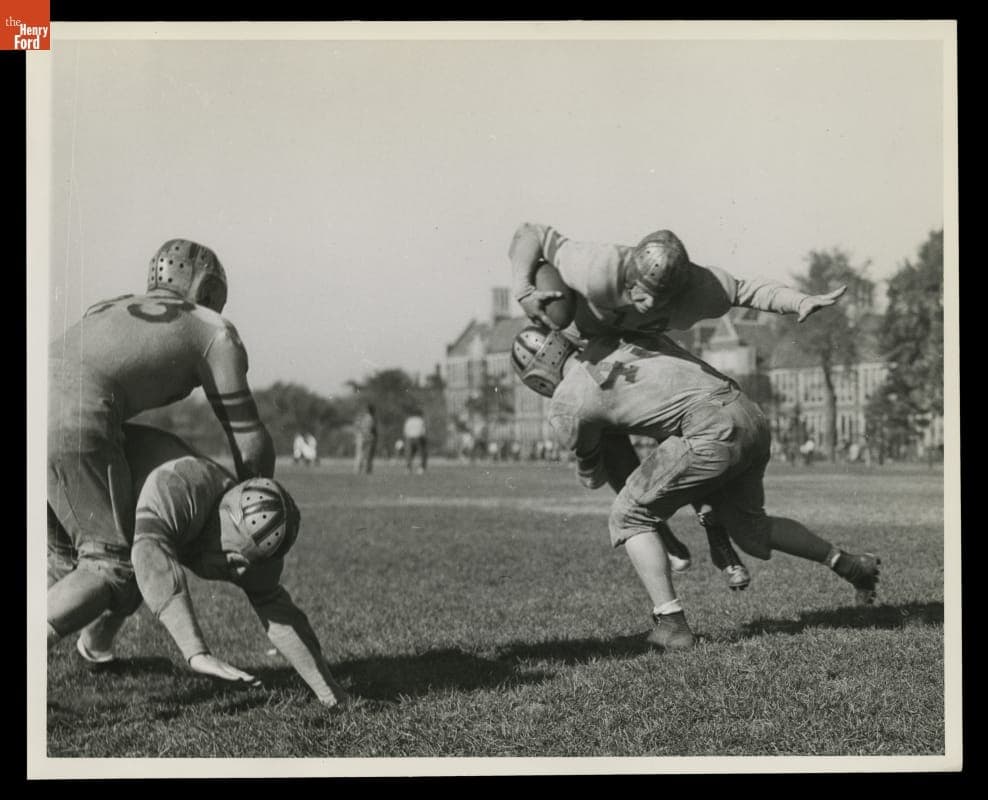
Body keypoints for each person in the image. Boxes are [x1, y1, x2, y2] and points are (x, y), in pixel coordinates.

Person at [510, 325, 881, 650]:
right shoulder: (616, 339)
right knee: (752, 531)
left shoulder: (566, 401)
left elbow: (592, 477)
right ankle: (849, 564)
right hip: (748, 414)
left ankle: (671, 625)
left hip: (706, 430)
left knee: (628, 515)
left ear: (538, 376)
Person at [48, 238, 276, 648]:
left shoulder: (108, 305)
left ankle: (94, 648)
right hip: (71, 418)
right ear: (207, 289)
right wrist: (260, 495)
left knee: (63, 559)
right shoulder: (212, 327)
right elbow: (249, 439)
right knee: (110, 565)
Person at [50, 424, 351, 710]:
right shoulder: (183, 486)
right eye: (232, 555)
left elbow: (283, 617)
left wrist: (330, 693)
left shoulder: (258, 552)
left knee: (126, 573)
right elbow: (150, 556)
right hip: (73, 464)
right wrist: (196, 652)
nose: (235, 568)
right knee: (110, 572)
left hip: (110, 491)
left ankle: (94, 651)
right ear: (221, 512)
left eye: (242, 562)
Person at [353, 404, 378, 474]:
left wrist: (357, 435)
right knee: (368, 455)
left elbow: (356, 427)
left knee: (359, 454)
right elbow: (373, 429)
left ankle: (357, 470)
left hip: (360, 437)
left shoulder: (361, 417)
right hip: (369, 438)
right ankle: (367, 470)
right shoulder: (371, 418)